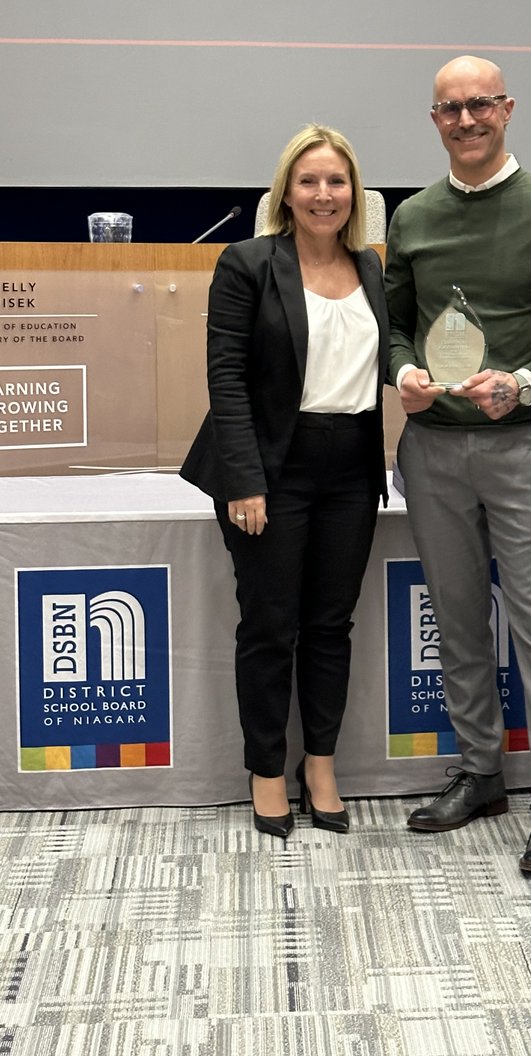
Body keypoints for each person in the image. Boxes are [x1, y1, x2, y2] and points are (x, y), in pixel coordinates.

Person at [384, 55, 531, 875]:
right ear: (433, 119)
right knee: (459, 617)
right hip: (432, 447)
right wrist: (402, 372)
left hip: (523, 445)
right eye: (449, 109)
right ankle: (480, 773)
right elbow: (394, 323)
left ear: (507, 109)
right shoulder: (413, 216)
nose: (466, 120)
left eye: (480, 105)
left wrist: (528, 380)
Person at [181, 124, 388, 838]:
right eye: (309, 181)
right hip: (270, 468)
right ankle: (267, 770)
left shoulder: (371, 269)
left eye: (337, 181)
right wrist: (243, 480)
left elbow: (375, 365)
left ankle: (320, 765)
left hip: (352, 467)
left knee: (331, 627)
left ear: (354, 192)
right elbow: (227, 379)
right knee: (270, 629)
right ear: (286, 192)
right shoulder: (247, 263)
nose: (324, 194)